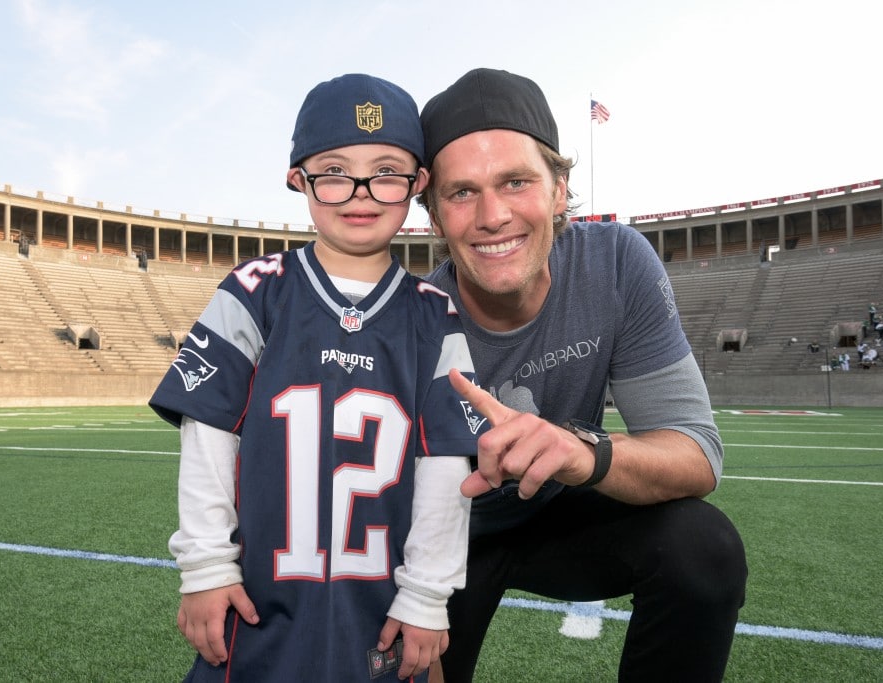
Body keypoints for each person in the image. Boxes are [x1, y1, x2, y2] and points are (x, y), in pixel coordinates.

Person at [149, 73, 487, 682]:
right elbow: (208, 434)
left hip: (382, 608)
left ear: (418, 184)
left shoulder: (436, 317)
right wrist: (206, 566)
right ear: (297, 179)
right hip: (258, 603)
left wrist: (426, 595)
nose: (361, 193)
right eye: (334, 171)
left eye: (386, 172)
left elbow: (444, 469)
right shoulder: (254, 292)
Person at [415, 68, 748, 682]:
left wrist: (581, 451)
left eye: (516, 182)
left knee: (702, 548)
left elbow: (696, 452)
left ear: (559, 190)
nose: (493, 215)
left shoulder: (615, 262)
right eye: (461, 192)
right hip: (449, 537)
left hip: (564, 510)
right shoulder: (412, 323)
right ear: (434, 216)